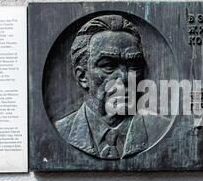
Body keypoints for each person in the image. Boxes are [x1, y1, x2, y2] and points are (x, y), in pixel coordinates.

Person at [54, 14, 170, 159]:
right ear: (82, 76)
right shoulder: (61, 130)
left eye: (133, 66)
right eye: (108, 66)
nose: (124, 77)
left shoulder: (159, 128)